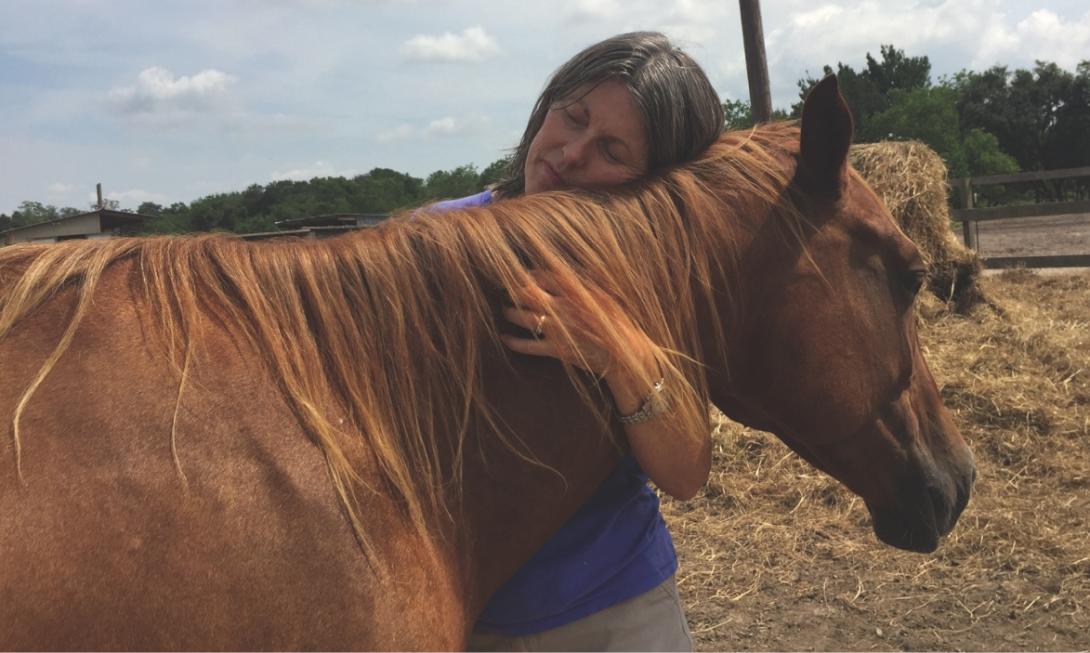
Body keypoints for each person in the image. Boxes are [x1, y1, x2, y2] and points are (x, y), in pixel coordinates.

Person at [432, 31, 724, 652]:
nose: (570, 153)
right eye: (574, 118)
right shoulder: (430, 243)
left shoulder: (652, 278)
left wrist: (616, 351)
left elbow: (686, 472)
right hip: (458, 614)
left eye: (612, 149)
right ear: (548, 106)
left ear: (653, 182)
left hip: (615, 611)